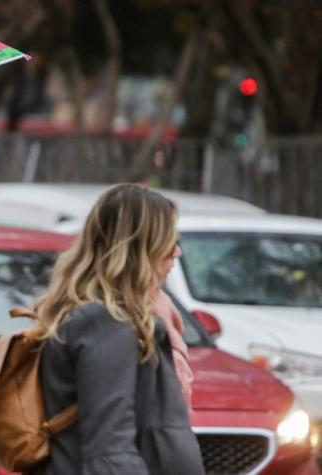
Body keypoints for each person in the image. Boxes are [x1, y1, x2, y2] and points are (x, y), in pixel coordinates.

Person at [31, 183, 204, 474]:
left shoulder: (112, 317)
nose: (176, 252)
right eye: (168, 240)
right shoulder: (105, 322)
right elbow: (109, 450)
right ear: (139, 247)